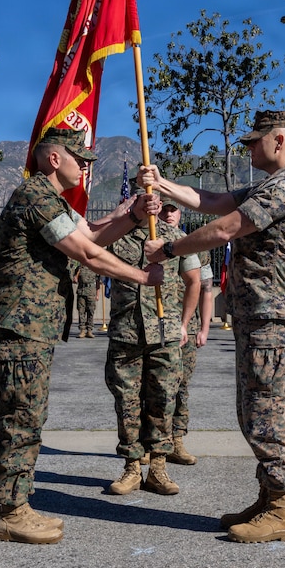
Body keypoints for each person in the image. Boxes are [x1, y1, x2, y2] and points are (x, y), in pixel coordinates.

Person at [139, 109, 285, 544]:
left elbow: (226, 228)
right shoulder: (270, 184)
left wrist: (169, 250)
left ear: (279, 140)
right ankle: (269, 496)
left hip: (270, 313)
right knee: (252, 407)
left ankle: (282, 509)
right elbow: (213, 201)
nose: (248, 148)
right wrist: (163, 185)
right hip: (257, 313)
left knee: (266, 409)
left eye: (254, 141)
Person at [0, 127, 164, 546]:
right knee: (21, 415)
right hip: (20, 324)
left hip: (33, 326)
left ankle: (18, 505)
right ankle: (11, 512)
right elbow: (86, 252)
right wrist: (142, 276)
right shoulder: (35, 196)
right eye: (79, 159)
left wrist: (135, 216)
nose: (85, 166)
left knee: (30, 414)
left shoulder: (53, 201)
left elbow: (93, 236)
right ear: (54, 159)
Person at [104, 196, 201, 496]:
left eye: (156, 198)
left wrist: (184, 323)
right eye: (143, 197)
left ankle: (158, 467)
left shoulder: (175, 238)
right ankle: (132, 468)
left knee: (163, 401)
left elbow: (194, 280)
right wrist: (118, 216)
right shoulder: (116, 234)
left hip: (165, 333)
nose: (151, 204)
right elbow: (90, 248)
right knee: (127, 403)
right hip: (127, 333)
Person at [159, 201, 214, 466]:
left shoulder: (195, 245)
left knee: (181, 386)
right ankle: (152, 442)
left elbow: (206, 289)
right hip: (158, 325)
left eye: (173, 210)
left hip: (187, 329)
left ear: (181, 213)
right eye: (164, 210)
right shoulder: (151, 243)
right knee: (153, 386)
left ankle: (177, 440)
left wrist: (204, 328)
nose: (168, 214)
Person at [74, 263, 98, 338]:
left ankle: (89, 330)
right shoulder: (79, 268)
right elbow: (74, 279)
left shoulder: (94, 267)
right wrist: (75, 277)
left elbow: (98, 283)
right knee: (81, 311)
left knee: (91, 311)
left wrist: (97, 294)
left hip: (91, 292)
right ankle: (82, 330)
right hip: (81, 292)